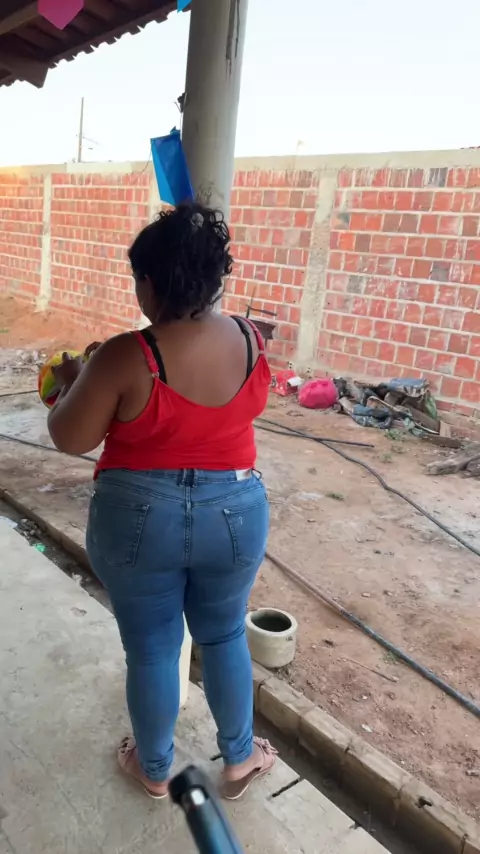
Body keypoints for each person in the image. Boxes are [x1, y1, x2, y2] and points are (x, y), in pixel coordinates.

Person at [47, 203, 276, 801]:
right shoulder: (251, 340)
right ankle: (241, 759)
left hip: (139, 518)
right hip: (236, 511)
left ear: (149, 283)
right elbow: (247, 407)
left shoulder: (126, 354)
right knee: (223, 634)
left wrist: (74, 384)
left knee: (152, 648)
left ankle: (152, 769)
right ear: (214, 277)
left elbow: (70, 437)